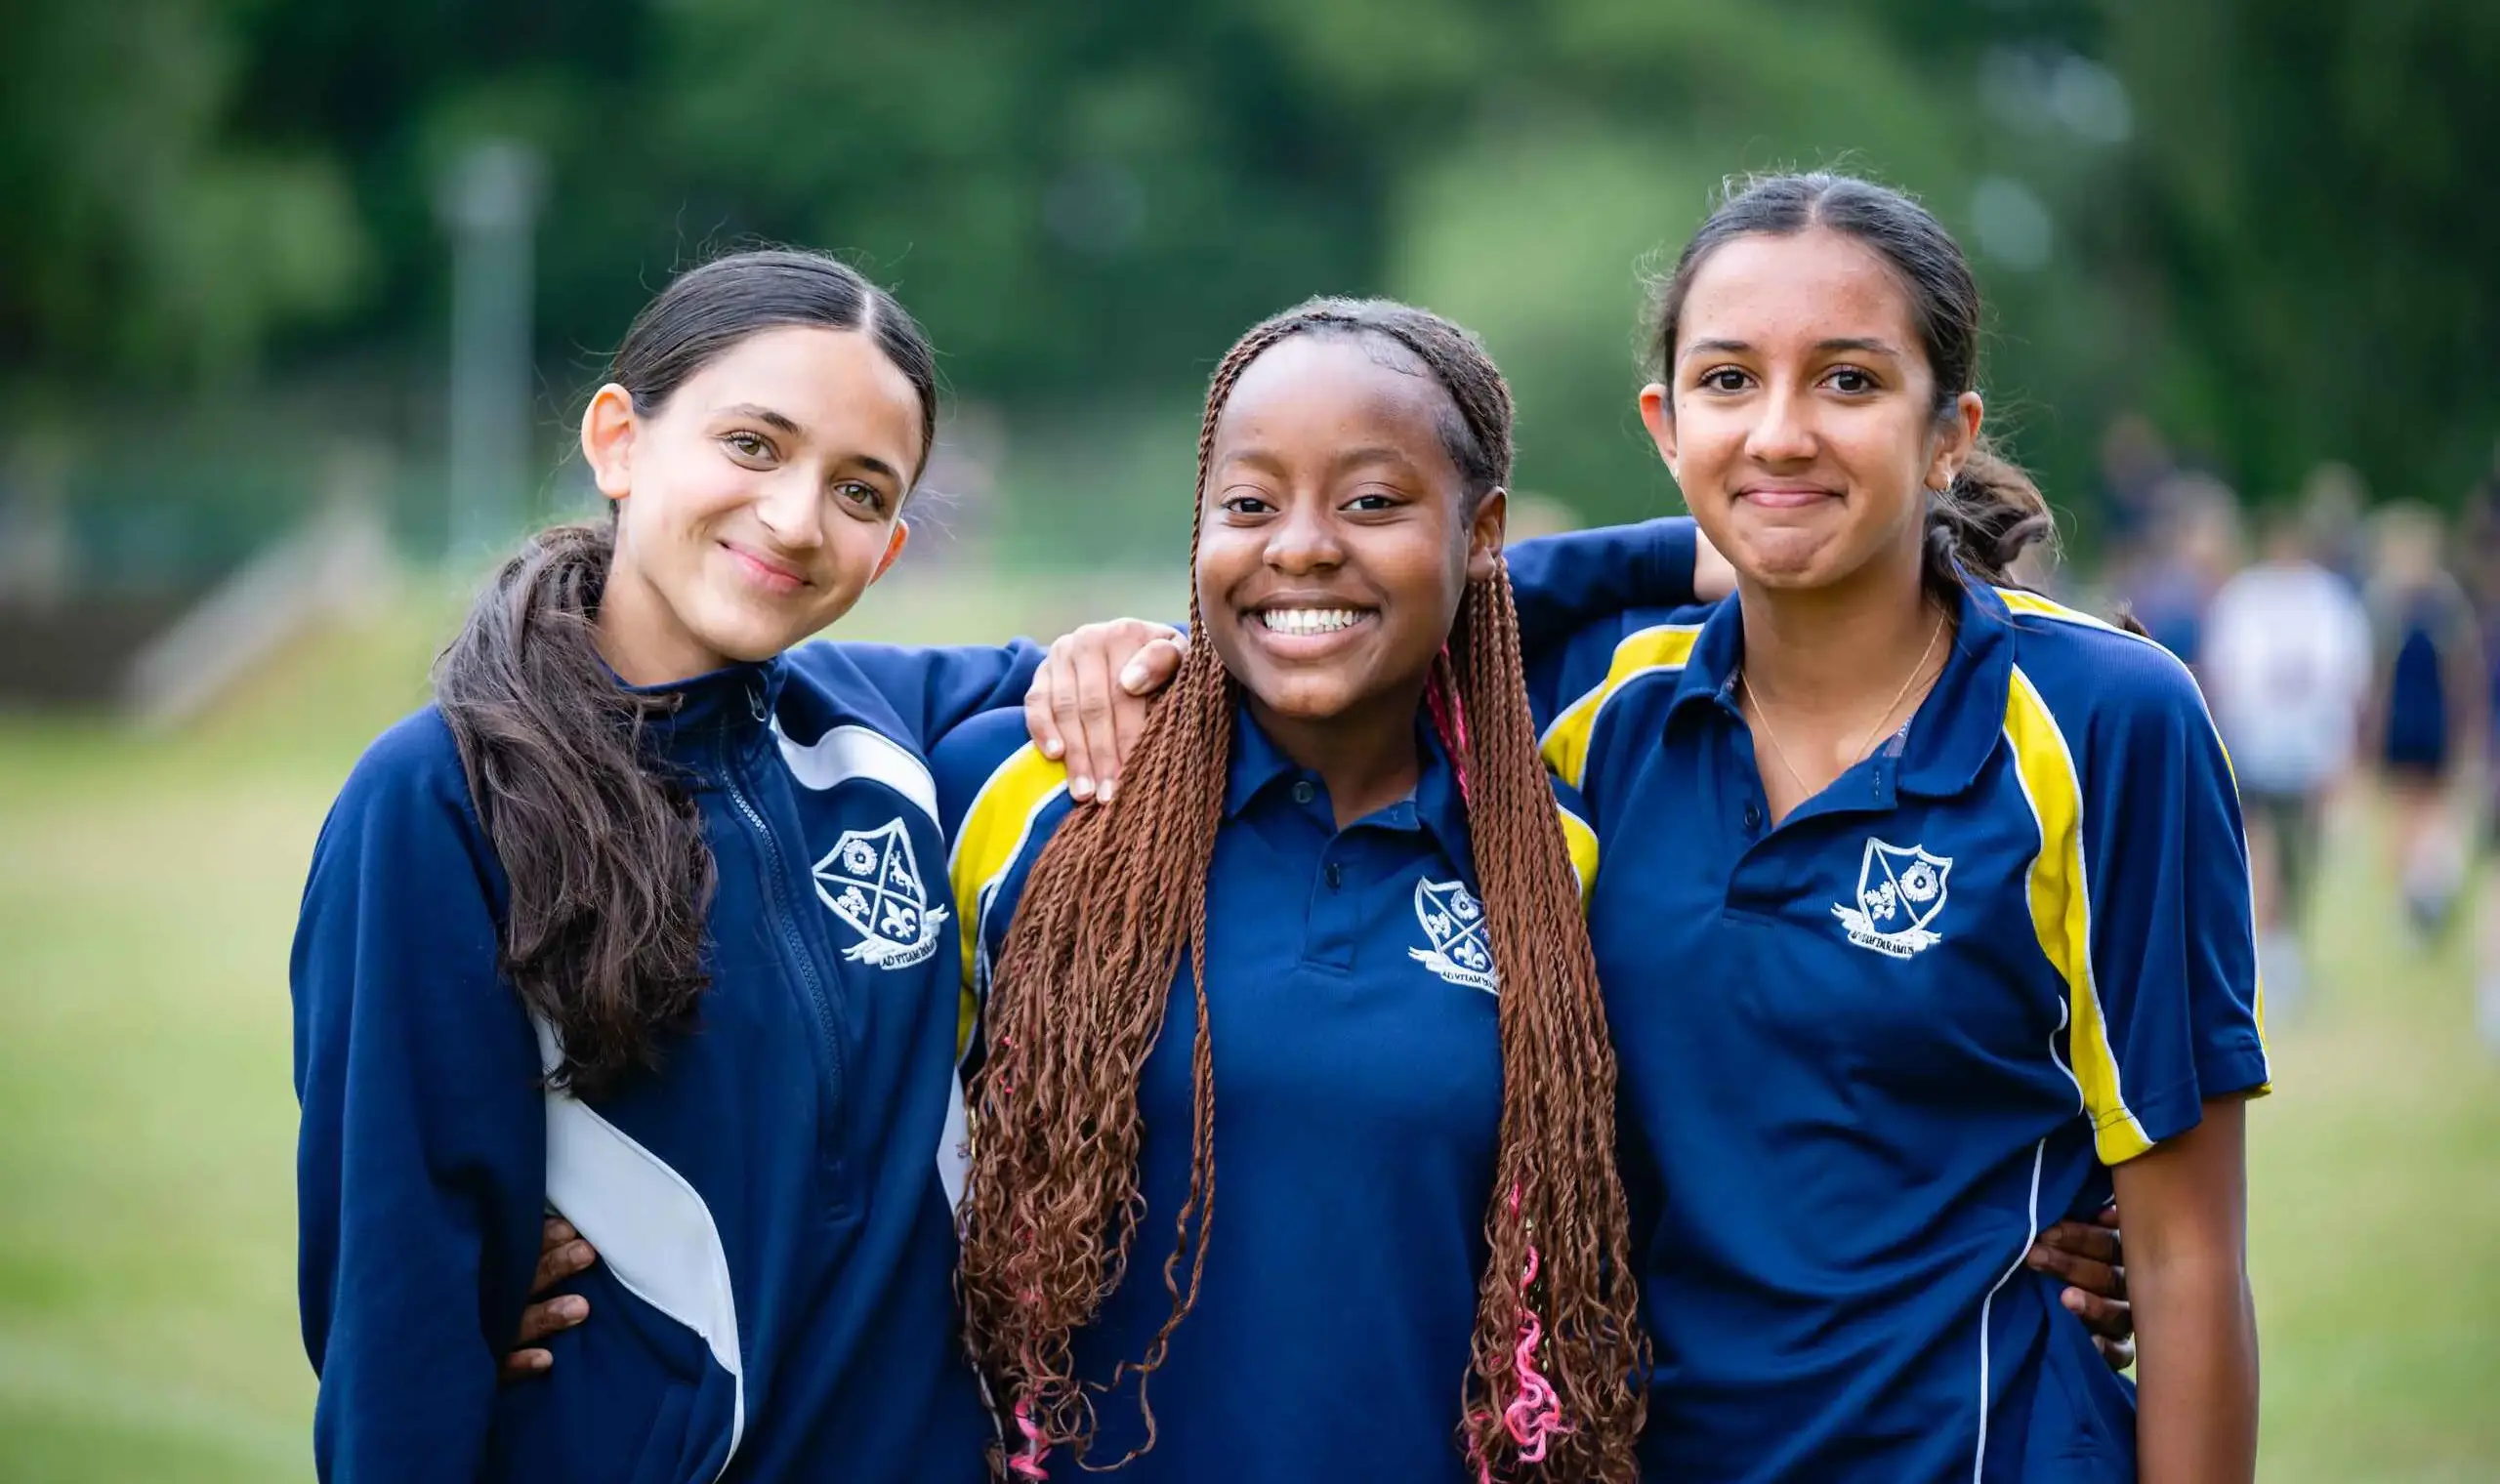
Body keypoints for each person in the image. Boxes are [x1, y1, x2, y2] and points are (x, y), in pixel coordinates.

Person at [290, 249, 1186, 1483]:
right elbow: (399, 1306)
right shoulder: (440, 798)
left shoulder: (885, 733)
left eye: (860, 492)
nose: (794, 517)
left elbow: (1237, 655)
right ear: (620, 439)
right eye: (754, 445)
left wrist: (1127, 650)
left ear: (891, 548)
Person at [1535, 173, 2267, 1482]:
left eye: (1850, 382)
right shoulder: (1593, 720)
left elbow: (2187, 1257)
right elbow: (1348, 590)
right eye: (1726, 382)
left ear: (1948, 433)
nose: (1780, 432)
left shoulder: (2107, 722)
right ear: (1663, 424)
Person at [2199, 505, 2373, 1011]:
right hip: (2256, 747)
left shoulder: (2327, 601)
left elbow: (2348, 676)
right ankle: (2263, 949)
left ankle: (2288, 948)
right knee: (2258, 849)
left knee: (2302, 855)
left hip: (2309, 751)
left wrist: (2341, 749)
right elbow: (2225, 670)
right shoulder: (2246, 598)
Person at [2363, 499, 2486, 936]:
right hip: (2402, 720)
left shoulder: (2445, 604)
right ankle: (2409, 902)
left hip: (2432, 719)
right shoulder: (2387, 603)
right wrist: (2373, 732)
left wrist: (2463, 730)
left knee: (2433, 809)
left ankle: (2427, 893)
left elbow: (2460, 673)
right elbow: (2378, 675)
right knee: (2403, 810)